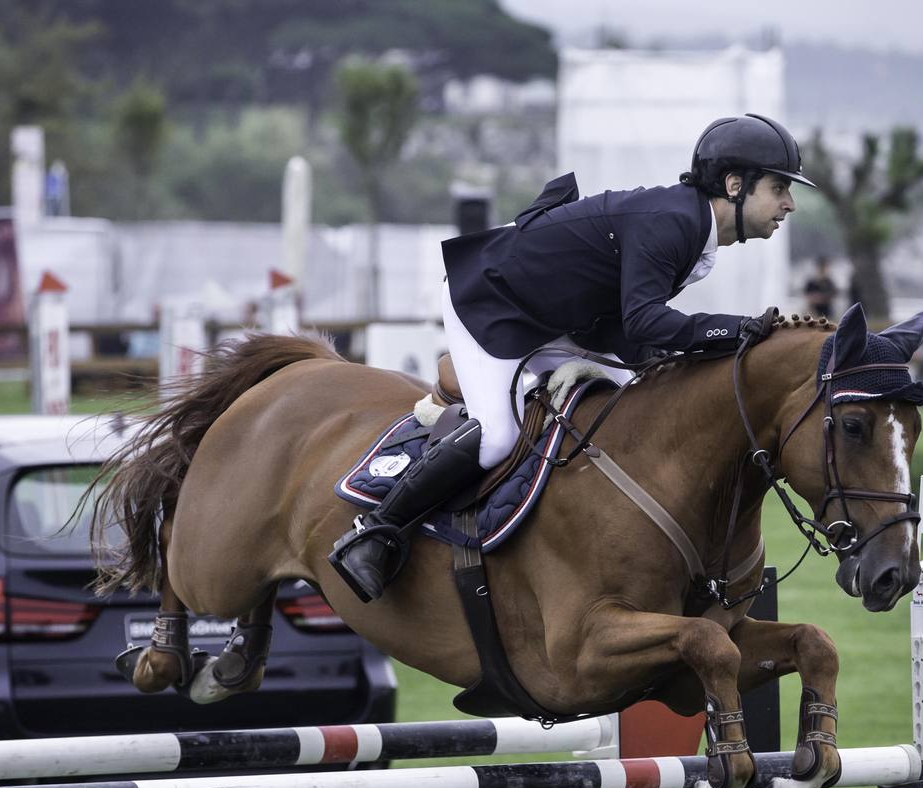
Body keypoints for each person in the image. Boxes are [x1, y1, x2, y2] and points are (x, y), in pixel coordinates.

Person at [329, 113, 816, 603]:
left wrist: (699, 350)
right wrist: (732, 329)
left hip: (565, 321)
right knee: (499, 436)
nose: (789, 203)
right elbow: (645, 322)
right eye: (779, 188)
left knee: (631, 419)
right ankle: (374, 533)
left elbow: (631, 329)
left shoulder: (695, 232)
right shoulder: (673, 222)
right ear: (735, 184)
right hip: (494, 306)